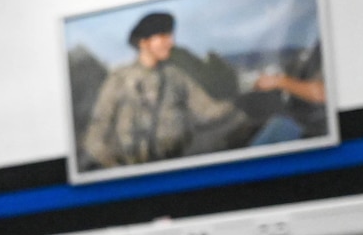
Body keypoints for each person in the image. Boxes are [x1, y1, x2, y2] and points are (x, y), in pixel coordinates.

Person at [80, 11, 246, 169]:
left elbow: (208, 111)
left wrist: (244, 99)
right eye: (163, 36)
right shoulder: (119, 80)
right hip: (130, 172)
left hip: (173, 165)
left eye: (170, 36)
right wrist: (115, 171)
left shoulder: (175, 76)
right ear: (143, 42)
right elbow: (96, 135)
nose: (170, 42)